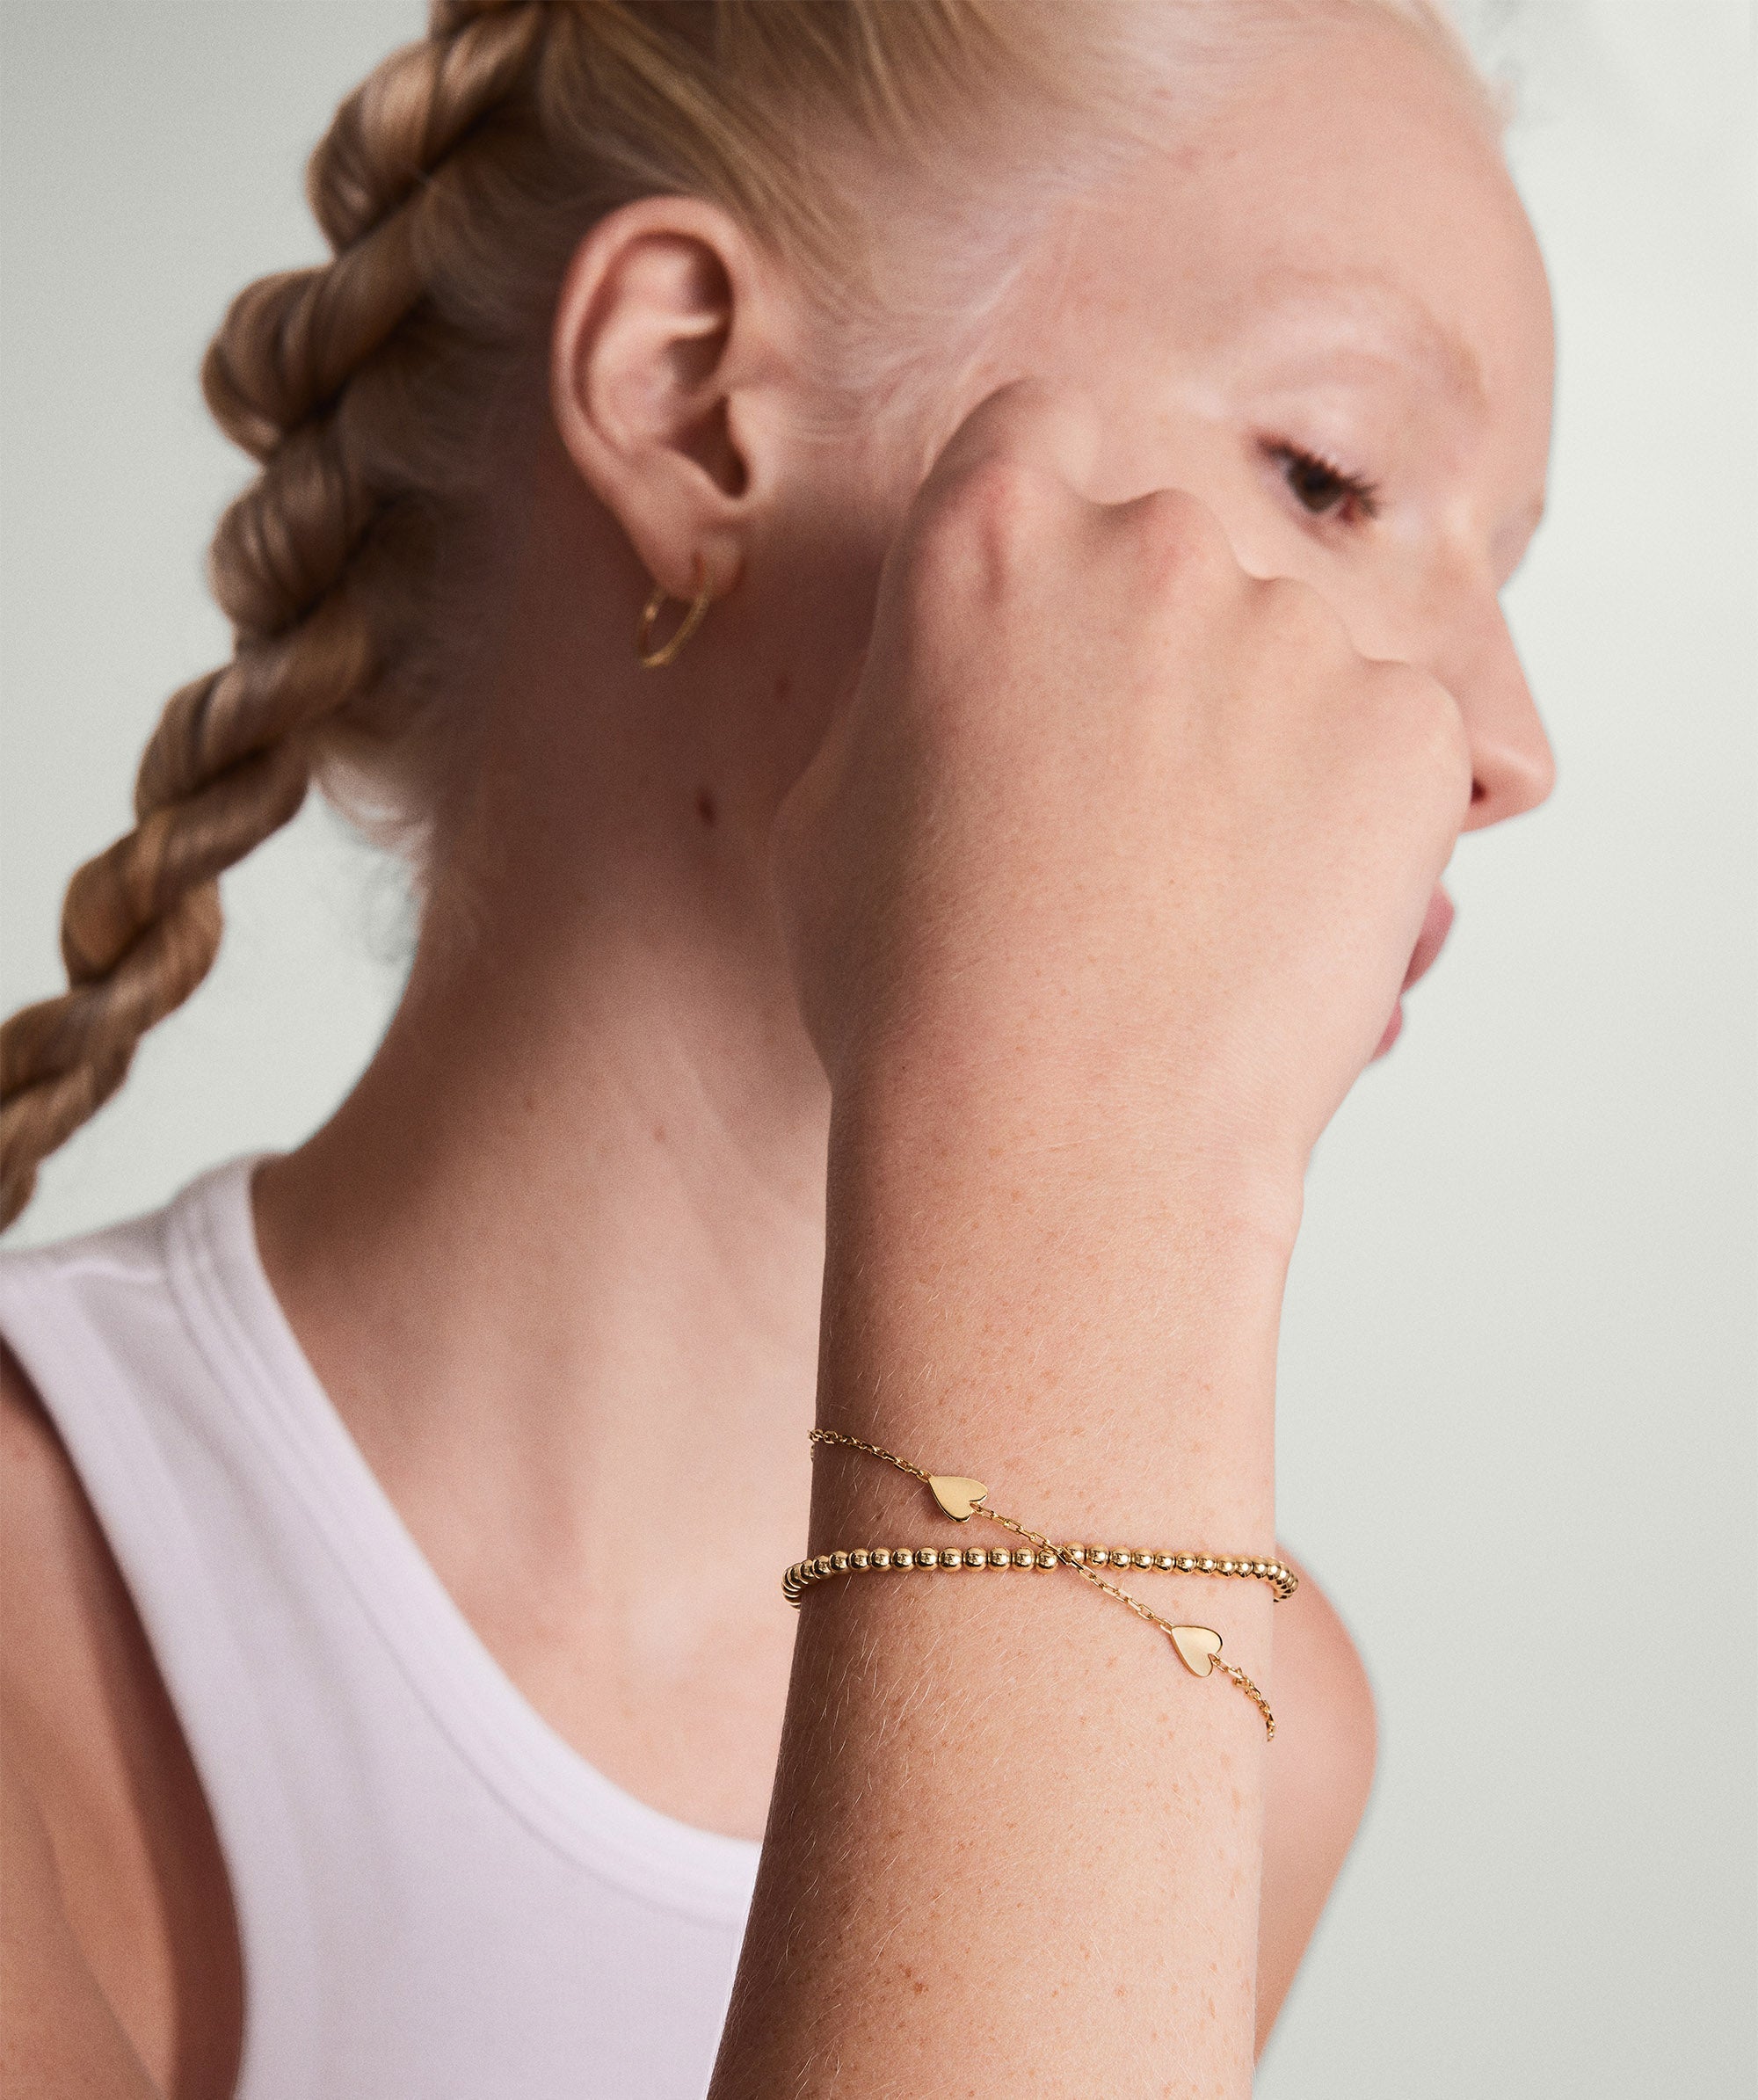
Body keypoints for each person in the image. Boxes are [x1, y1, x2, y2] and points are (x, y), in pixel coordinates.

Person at [0, 0, 1556, 2093]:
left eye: (1502, 567)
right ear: (692, 397)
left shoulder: (1268, 1722)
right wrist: (1092, 1168)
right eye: (1331, 477)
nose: (1505, 743)